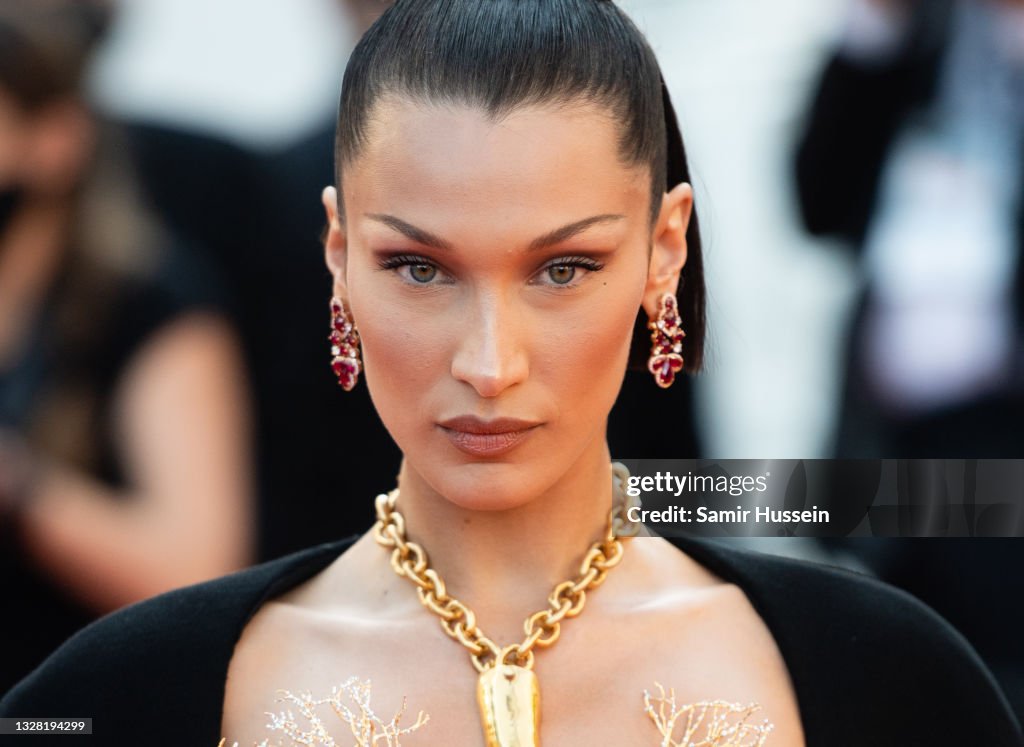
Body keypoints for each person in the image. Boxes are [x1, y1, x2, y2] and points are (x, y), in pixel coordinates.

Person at [2, 2, 1021, 745]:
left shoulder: (884, 677)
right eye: (417, 268)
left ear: (665, 249)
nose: (489, 365)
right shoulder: (127, 695)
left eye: (563, 269)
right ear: (337, 252)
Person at [0, 1, 254, 693]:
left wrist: (23, 490)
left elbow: (199, 570)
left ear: (56, 138)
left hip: (66, 708)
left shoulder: (152, 305)